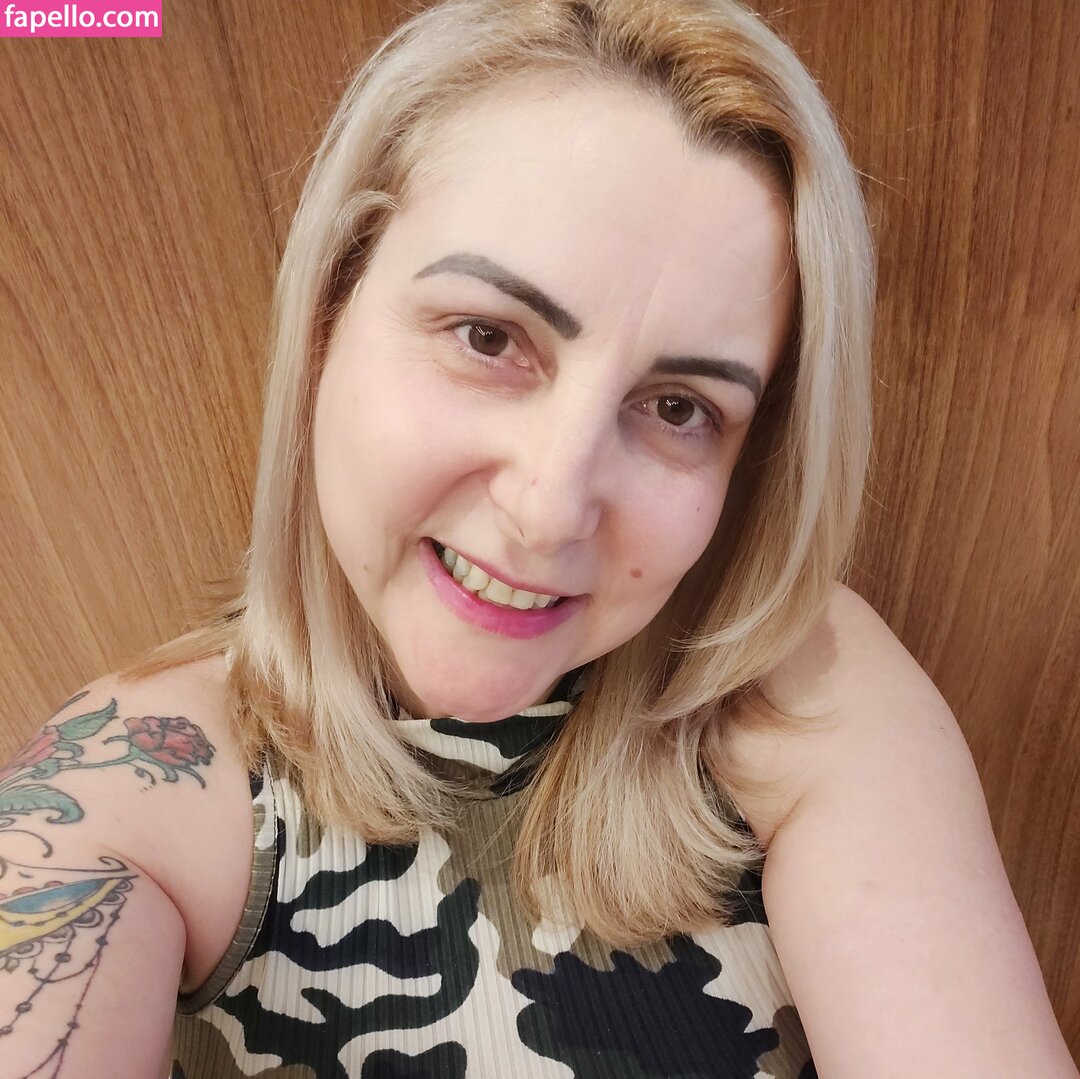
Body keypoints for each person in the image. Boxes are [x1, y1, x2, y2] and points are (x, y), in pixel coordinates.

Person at [1, 0, 1076, 1076]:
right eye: (488, 337)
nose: (552, 506)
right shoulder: (146, 775)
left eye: (679, 407)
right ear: (331, 309)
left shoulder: (797, 687)